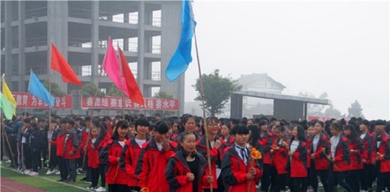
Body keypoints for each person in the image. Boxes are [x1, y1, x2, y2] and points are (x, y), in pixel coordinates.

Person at [136, 121, 176, 192]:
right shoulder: (147, 147)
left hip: (168, 186)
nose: (163, 136)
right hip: (151, 186)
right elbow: (142, 170)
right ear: (154, 131)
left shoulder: (173, 146)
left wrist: (167, 151)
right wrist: (142, 186)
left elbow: (176, 166)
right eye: (161, 133)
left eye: (165, 133)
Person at [221, 125, 261, 192]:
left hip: (250, 188)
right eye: (240, 134)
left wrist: (256, 172)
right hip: (235, 189)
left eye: (246, 134)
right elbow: (227, 175)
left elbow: (259, 169)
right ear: (233, 136)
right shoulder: (228, 153)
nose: (244, 137)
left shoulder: (252, 152)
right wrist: (245, 176)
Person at [120, 118, 150, 192]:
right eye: (141, 125)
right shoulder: (128, 143)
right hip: (132, 180)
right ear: (136, 127)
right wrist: (134, 173)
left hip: (148, 180)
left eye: (145, 126)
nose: (143, 128)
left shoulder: (152, 144)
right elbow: (123, 162)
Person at [100, 121, 130, 192]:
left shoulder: (130, 143)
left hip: (127, 177)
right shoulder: (110, 143)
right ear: (117, 129)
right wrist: (115, 159)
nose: (124, 131)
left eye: (125, 129)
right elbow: (102, 157)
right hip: (113, 177)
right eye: (122, 129)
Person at [196, 117, 223, 192]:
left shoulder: (222, 142)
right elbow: (204, 161)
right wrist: (215, 149)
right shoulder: (199, 144)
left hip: (221, 178)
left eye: (216, 124)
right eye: (211, 124)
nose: (214, 127)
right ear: (205, 126)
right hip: (207, 179)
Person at [328, 123, 353, 192]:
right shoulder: (332, 139)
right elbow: (331, 150)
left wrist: (336, 158)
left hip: (340, 164)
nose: (331, 131)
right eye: (330, 130)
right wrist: (330, 155)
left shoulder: (344, 139)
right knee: (330, 181)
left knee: (341, 182)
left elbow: (346, 153)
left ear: (338, 129)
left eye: (332, 129)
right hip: (332, 163)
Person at [309, 121, 330, 192]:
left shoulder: (324, 137)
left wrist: (315, 154)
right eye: (315, 126)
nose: (316, 127)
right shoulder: (312, 137)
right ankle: (315, 189)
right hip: (312, 159)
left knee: (323, 179)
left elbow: (324, 149)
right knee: (312, 177)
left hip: (321, 160)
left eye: (318, 126)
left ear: (322, 128)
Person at [287, 125, 307, 192]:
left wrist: (293, 154)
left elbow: (304, 155)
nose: (294, 131)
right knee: (289, 183)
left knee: (296, 185)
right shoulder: (291, 141)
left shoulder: (303, 143)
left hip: (298, 166)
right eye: (293, 130)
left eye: (296, 130)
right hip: (291, 165)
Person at [343, 124, 363, 192]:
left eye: (347, 130)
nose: (345, 131)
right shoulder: (345, 139)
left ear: (351, 131)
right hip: (348, 162)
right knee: (348, 178)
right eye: (344, 130)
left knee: (354, 179)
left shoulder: (357, 139)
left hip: (355, 162)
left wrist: (355, 151)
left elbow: (361, 149)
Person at [271, 125, 289, 192]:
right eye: (277, 133)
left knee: (280, 180)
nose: (278, 134)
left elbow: (288, 151)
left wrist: (279, 149)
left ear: (283, 132)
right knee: (277, 179)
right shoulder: (276, 140)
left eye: (279, 133)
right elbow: (273, 147)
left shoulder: (287, 140)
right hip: (276, 162)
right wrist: (273, 150)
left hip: (283, 162)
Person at [374, 120, 390, 192]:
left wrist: (382, 157)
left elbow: (388, 152)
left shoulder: (387, 137)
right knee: (380, 181)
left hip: (386, 163)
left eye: (380, 125)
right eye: (377, 125)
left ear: (384, 126)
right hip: (378, 162)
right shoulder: (375, 136)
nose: (378, 127)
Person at [63, 120, 81, 184]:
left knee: (72, 166)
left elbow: (76, 143)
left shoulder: (74, 132)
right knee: (68, 166)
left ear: (70, 125)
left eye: (67, 123)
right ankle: (70, 177)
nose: (66, 125)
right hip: (67, 152)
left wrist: (73, 150)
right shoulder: (67, 132)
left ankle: (73, 178)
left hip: (72, 153)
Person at [359, 120, 374, 192]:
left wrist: (365, 158)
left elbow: (369, 148)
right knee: (361, 175)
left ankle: (367, 188)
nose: (360, 126)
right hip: (359, 159)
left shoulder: (370, 136)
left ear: (366, 126)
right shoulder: (359, 135)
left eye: (362, 124)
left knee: (367, 174)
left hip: (367, 159)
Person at [86, 126, 100, 190]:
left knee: (96, 172)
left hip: (96, 158)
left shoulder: (99, 140)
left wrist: (95, 148)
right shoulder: (89, 140)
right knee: (91, 171)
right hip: (90, 157)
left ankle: (95, 184)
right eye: (93, 131)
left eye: (95, 131)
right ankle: (92, 183)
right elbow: (87, 148)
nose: (94, 133)